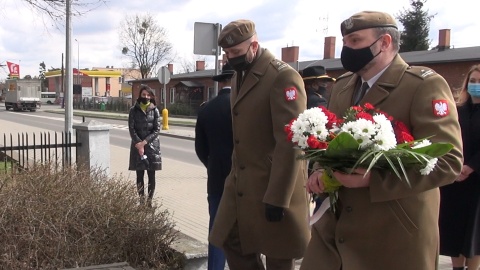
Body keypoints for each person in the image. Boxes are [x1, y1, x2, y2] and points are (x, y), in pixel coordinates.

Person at [301, 11, 463, 270]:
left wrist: (374, 180)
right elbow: (329, 143)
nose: (347, 49)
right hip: (335, 229)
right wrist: (320, 170)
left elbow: (447, 162)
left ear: (385, 42)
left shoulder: (422, 86)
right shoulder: (343, 87)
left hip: (392, 235)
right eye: (345, 42)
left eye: (355, 41)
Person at [209, 19, 310, 270]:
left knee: (278, 256)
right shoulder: (239, 76)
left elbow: (291, 140)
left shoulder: (282, 76)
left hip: (273, 186)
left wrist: (278, 198)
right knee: (229, 238)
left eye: (235, 52)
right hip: (242, 184)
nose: (230, 58)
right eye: (227, 53)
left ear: (254, 45)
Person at [439, 64, 480, 270]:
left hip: (476, 180)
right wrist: (454, 166)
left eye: (479, 81)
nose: (476, 85)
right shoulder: (457, 110)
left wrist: (470, 167)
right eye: (472, 81)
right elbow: (447, 137)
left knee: (473, 233)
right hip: (454, 178)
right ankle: (457, 267)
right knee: (454, 227)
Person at [194, 62, 235, 270]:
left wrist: (211, 165)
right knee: (243, 233)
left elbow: (200, 148)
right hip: (242, 181)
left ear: (222, 83)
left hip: (217, 178)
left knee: (216, 230)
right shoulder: (243, 108)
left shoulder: (206, 108)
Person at [302, 65, 336, 214]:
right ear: (313, 84)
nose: (326, 86)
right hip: (318, 151)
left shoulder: (302, 98)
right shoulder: (318, 101)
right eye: (323, 82)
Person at [128, 85, 162, 207]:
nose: (146, 97)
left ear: (151, 96)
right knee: (139, 175)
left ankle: (149, 202)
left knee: (151, 175)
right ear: (140, 96)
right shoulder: (133, 110)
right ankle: (141, 202)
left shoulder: (155, 110)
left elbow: (157, 130)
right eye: (144, 95)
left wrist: (144, 143)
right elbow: (132, 129)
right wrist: (138, 144)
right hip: (137, 147)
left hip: (152, 147)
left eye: (148, 95)